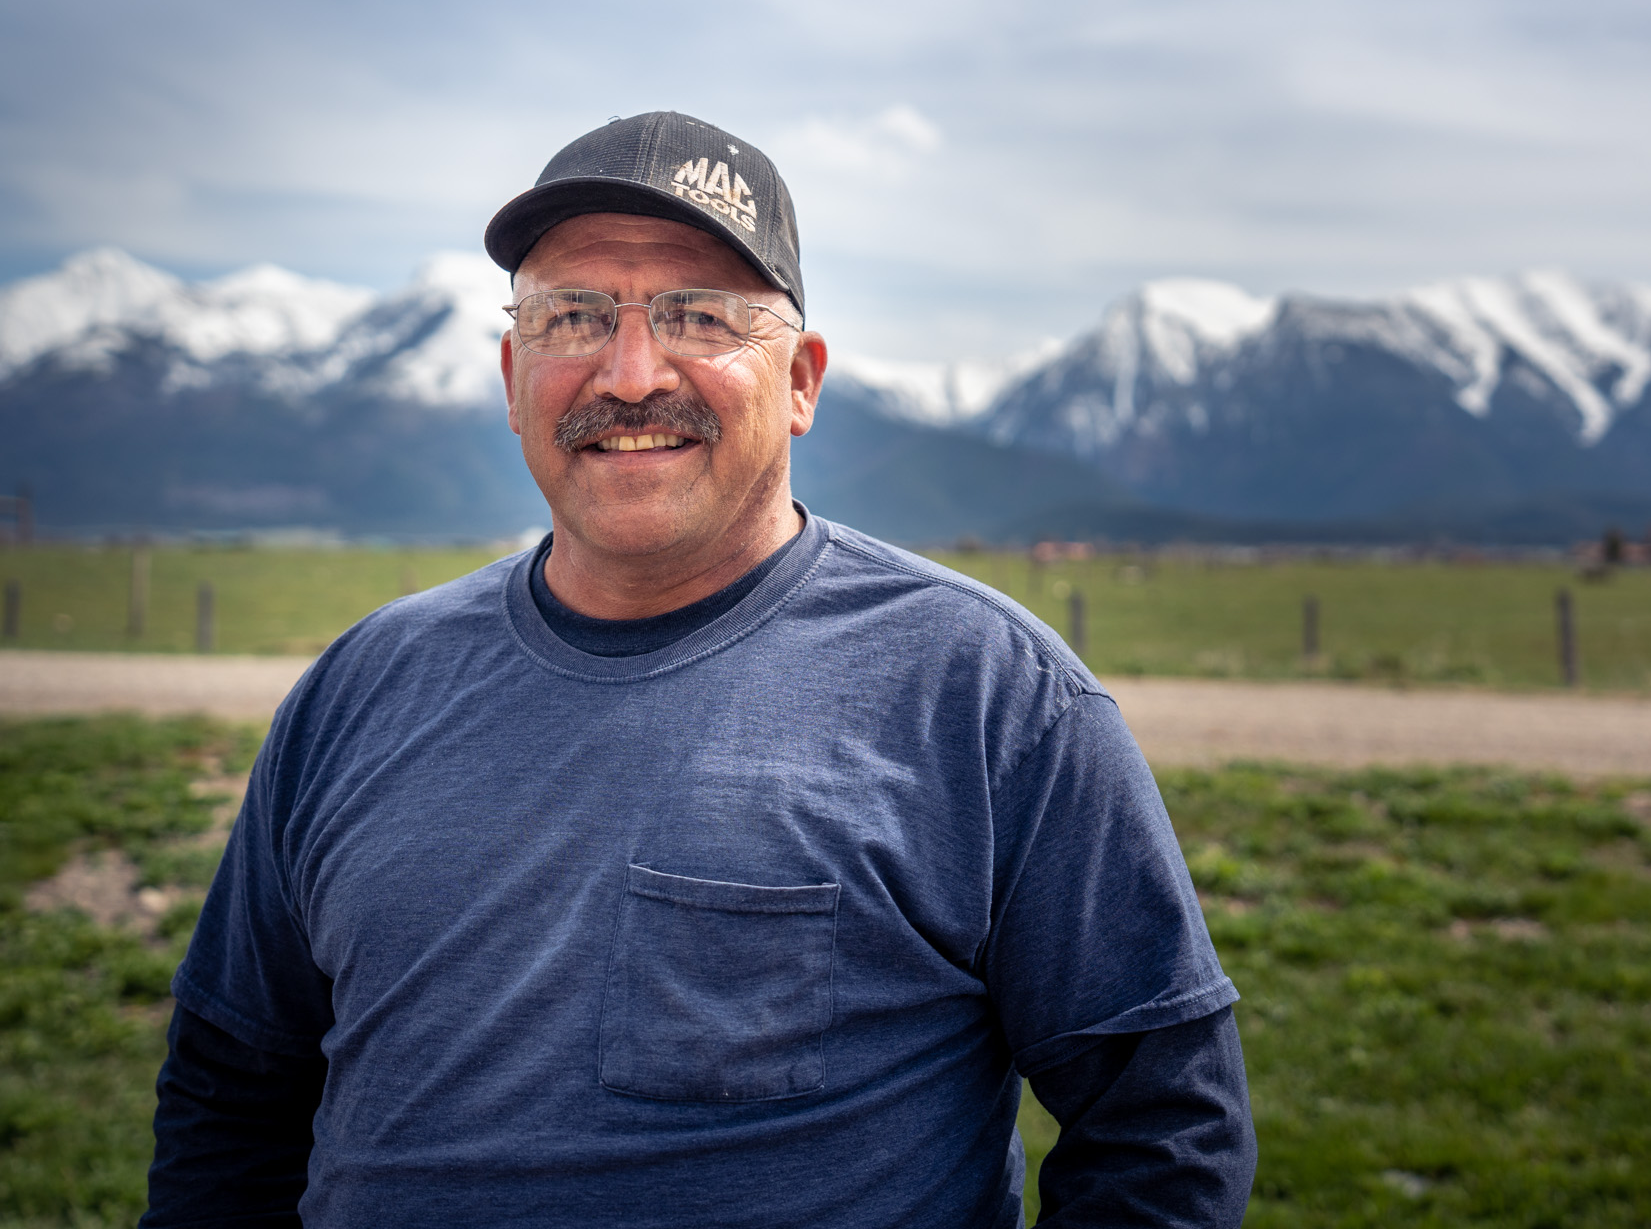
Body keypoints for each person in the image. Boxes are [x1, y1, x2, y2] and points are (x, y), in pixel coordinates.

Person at [144, 111, 1256, 1227]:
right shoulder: (360, 688)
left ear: (803, 383)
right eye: (571, 315)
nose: (629, 375)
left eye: (700, 316)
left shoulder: (988, 697)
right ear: (511, 372)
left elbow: (1163, 1130)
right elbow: (231, 1100)